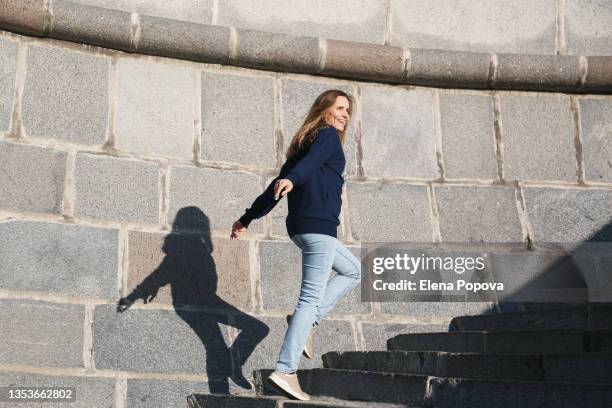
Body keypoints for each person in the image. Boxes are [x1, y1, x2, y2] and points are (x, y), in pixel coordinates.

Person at [230, 89, 362, 401]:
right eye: (340, 108)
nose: (345, 115)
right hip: (319, 226)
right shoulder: (326, 137)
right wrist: (295, 179)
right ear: (324, 109)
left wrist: (247, 218)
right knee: (309, 298)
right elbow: (299, 172)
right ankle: (286, 370)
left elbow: (276, 185)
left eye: (348, 111)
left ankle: (309, 321)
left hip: (302, 227)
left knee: (353, 270)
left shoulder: (304, 141)